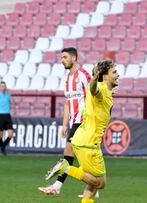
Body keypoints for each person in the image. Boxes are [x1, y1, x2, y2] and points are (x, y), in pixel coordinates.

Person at [44, 60, 119, 203]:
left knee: (93, 184)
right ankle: (66, 168)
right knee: (100, 182)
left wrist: (108, 87)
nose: (118, 75)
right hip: (88, 143)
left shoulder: (106, 90)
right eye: (114, 72)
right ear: (105, 76)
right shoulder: (100, 89)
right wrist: (95, 78)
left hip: (84, 140)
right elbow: (93, 89)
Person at [38, 47, 91, 195]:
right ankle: (93, 187)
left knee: (69, 152)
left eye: (65, 57)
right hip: (74, 121)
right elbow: (68, 102)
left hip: (83, 121)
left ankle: (57, 187)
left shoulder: (84, 75)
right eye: (61, 58)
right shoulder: (68, 78)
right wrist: (64, 124)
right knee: (84, 157)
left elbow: (93, 98)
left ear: (74, 58)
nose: (62, 61)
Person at [0, 81, 14, 155]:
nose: (3, 88)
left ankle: (3, 146)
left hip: (7, 115)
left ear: (6, 87)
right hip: (0, 115)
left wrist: (11, 98)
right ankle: (2, 147)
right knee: (1, 134)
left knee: (10, 134)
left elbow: (13, 104)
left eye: (4, 86)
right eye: (1, 86)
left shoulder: (8, 95)